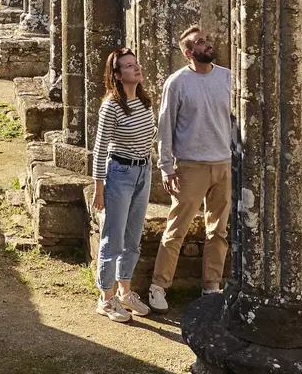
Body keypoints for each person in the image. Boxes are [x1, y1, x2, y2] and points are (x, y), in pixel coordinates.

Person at [146, 24, 232, 312]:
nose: (206, 44)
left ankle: (211, 286)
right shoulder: (177, 82)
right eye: (199, 42)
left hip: (223, 164)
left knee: (218, 231)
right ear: (188, 53)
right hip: (190, 166)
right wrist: (166, 168)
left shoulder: (227, 78)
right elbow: (165, 127)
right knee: (177, 229)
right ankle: (159, 286)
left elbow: (236, 119)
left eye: (206, 39)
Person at [91, 47, 157, 323]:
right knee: (113, 239)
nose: (136, 68)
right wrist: (99, 188)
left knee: (133, 238)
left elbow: (150, 136)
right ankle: (105, 300)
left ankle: (125, 292)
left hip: (143, 170)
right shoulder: (111, 106)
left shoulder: (143, 100)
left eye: (136, 64)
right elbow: (100, 148)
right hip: (119, 173)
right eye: (129, 67)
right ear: (117, 75)